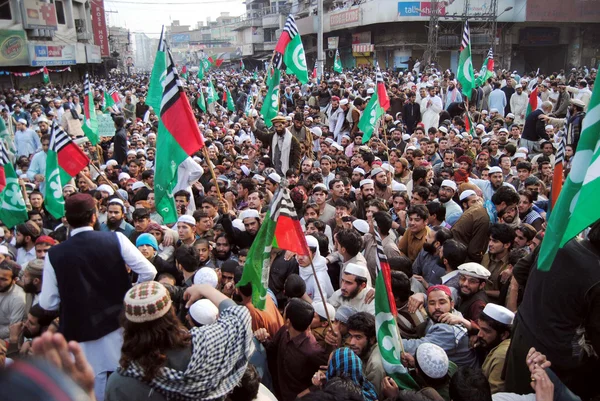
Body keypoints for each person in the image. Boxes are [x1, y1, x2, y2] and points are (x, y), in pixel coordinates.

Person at [39, 193, 157, 401]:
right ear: (94, 217)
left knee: (94, 390)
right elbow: (149, 271)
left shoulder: (54, 254)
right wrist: (130, 295)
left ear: (67, 219)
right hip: (119, 328)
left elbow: (48, 302)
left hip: (80, 336)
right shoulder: (115, 239)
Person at [106, 282, 254, 401]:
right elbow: (239, 317)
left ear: (127, 326)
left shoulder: (119, 384)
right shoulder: (205, 346)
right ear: (172, 313)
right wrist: (205, 288)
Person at [505, 220, 600, 399]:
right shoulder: (597, 276)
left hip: (521, 338)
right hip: (554, 361)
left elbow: (520, 272)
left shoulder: (559, 241)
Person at [254, 298, 329, 401]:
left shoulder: (313, 351)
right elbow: (272, 348)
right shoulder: (284, 331)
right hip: (277, 392)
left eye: (284, 313)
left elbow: (327, 376)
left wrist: (304, 394)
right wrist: (263, 338)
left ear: (288, 321)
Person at [402, 285, 477, 368]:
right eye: (432, 303)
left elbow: (414, 347)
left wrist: (388, 339)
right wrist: (421, 295)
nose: (437, 307)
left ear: (452, 304)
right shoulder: (449, 314)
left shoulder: (449, 331)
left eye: (442, 302)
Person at [346, 312, 386, 397]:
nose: (352, 342)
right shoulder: (362, 349)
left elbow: (372, 397)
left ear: (372, 339)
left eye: (358, 337)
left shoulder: (375, 365)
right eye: (350, 336)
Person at [477, 303, 514, 394]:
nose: (479, 335)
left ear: (504, 335)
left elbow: (493, 393)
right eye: (479, 329)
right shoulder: (496, 345)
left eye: (486, 331)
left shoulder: (501, 356)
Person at [0, 261, 25, 342]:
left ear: (14, 280)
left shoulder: (18, 298)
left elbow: (14, 328)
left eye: (3, 279)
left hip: (6, 340)